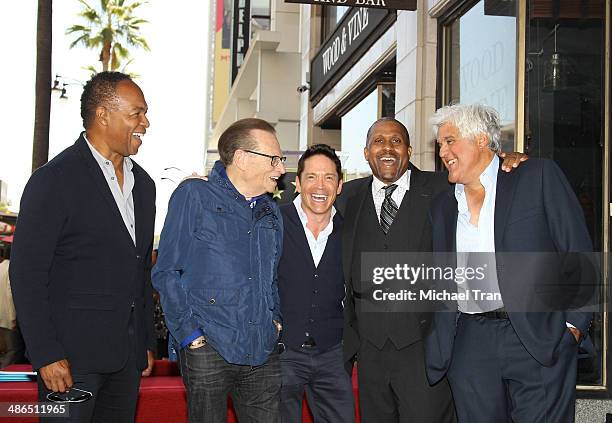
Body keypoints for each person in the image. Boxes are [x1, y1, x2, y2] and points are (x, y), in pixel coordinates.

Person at [425, 103, 594, 422]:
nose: (442, 151)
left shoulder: (537, 176)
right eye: (440, 144)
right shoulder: (442, 207)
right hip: (470, 341)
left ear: (480, 139)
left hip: (537, 339)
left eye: (450, 141)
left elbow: (578, 253)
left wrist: (573, 327)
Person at [10, 71, 156, 422]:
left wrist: (146, 342)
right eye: (136, 113)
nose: (145, 123)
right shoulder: (54, 180)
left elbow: (141, 272)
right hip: (69, 362)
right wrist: (46, 353)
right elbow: (26, 274)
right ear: (103, 114)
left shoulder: (145, 186)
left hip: (126, 361)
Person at [153, 118, 286, 423]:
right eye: (275, 159)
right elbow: (166, 272)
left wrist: (275, 321)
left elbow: (272, 277)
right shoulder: (194, 196)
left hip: (262, 350)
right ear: (242, 158)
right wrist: (191, 337)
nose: (281, 169)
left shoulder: (271, 211)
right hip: (208, 349)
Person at [336, 117, 456, 423]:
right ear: (366, 153)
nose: (387, 148)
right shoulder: (346, 197)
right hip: (369, 349)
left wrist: (509, 161)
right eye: (378, 141)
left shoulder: (444, 188)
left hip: (425, 348)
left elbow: (488, 182)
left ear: (410, 150)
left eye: (396, 141)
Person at [278, 144, 354, 423]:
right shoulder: (274, 222)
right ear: (297, 183)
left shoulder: (350, 231)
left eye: (329, 177)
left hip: (332, 354)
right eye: (311, 177)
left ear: (340, 184)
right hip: (282, 352)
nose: (320, 186)